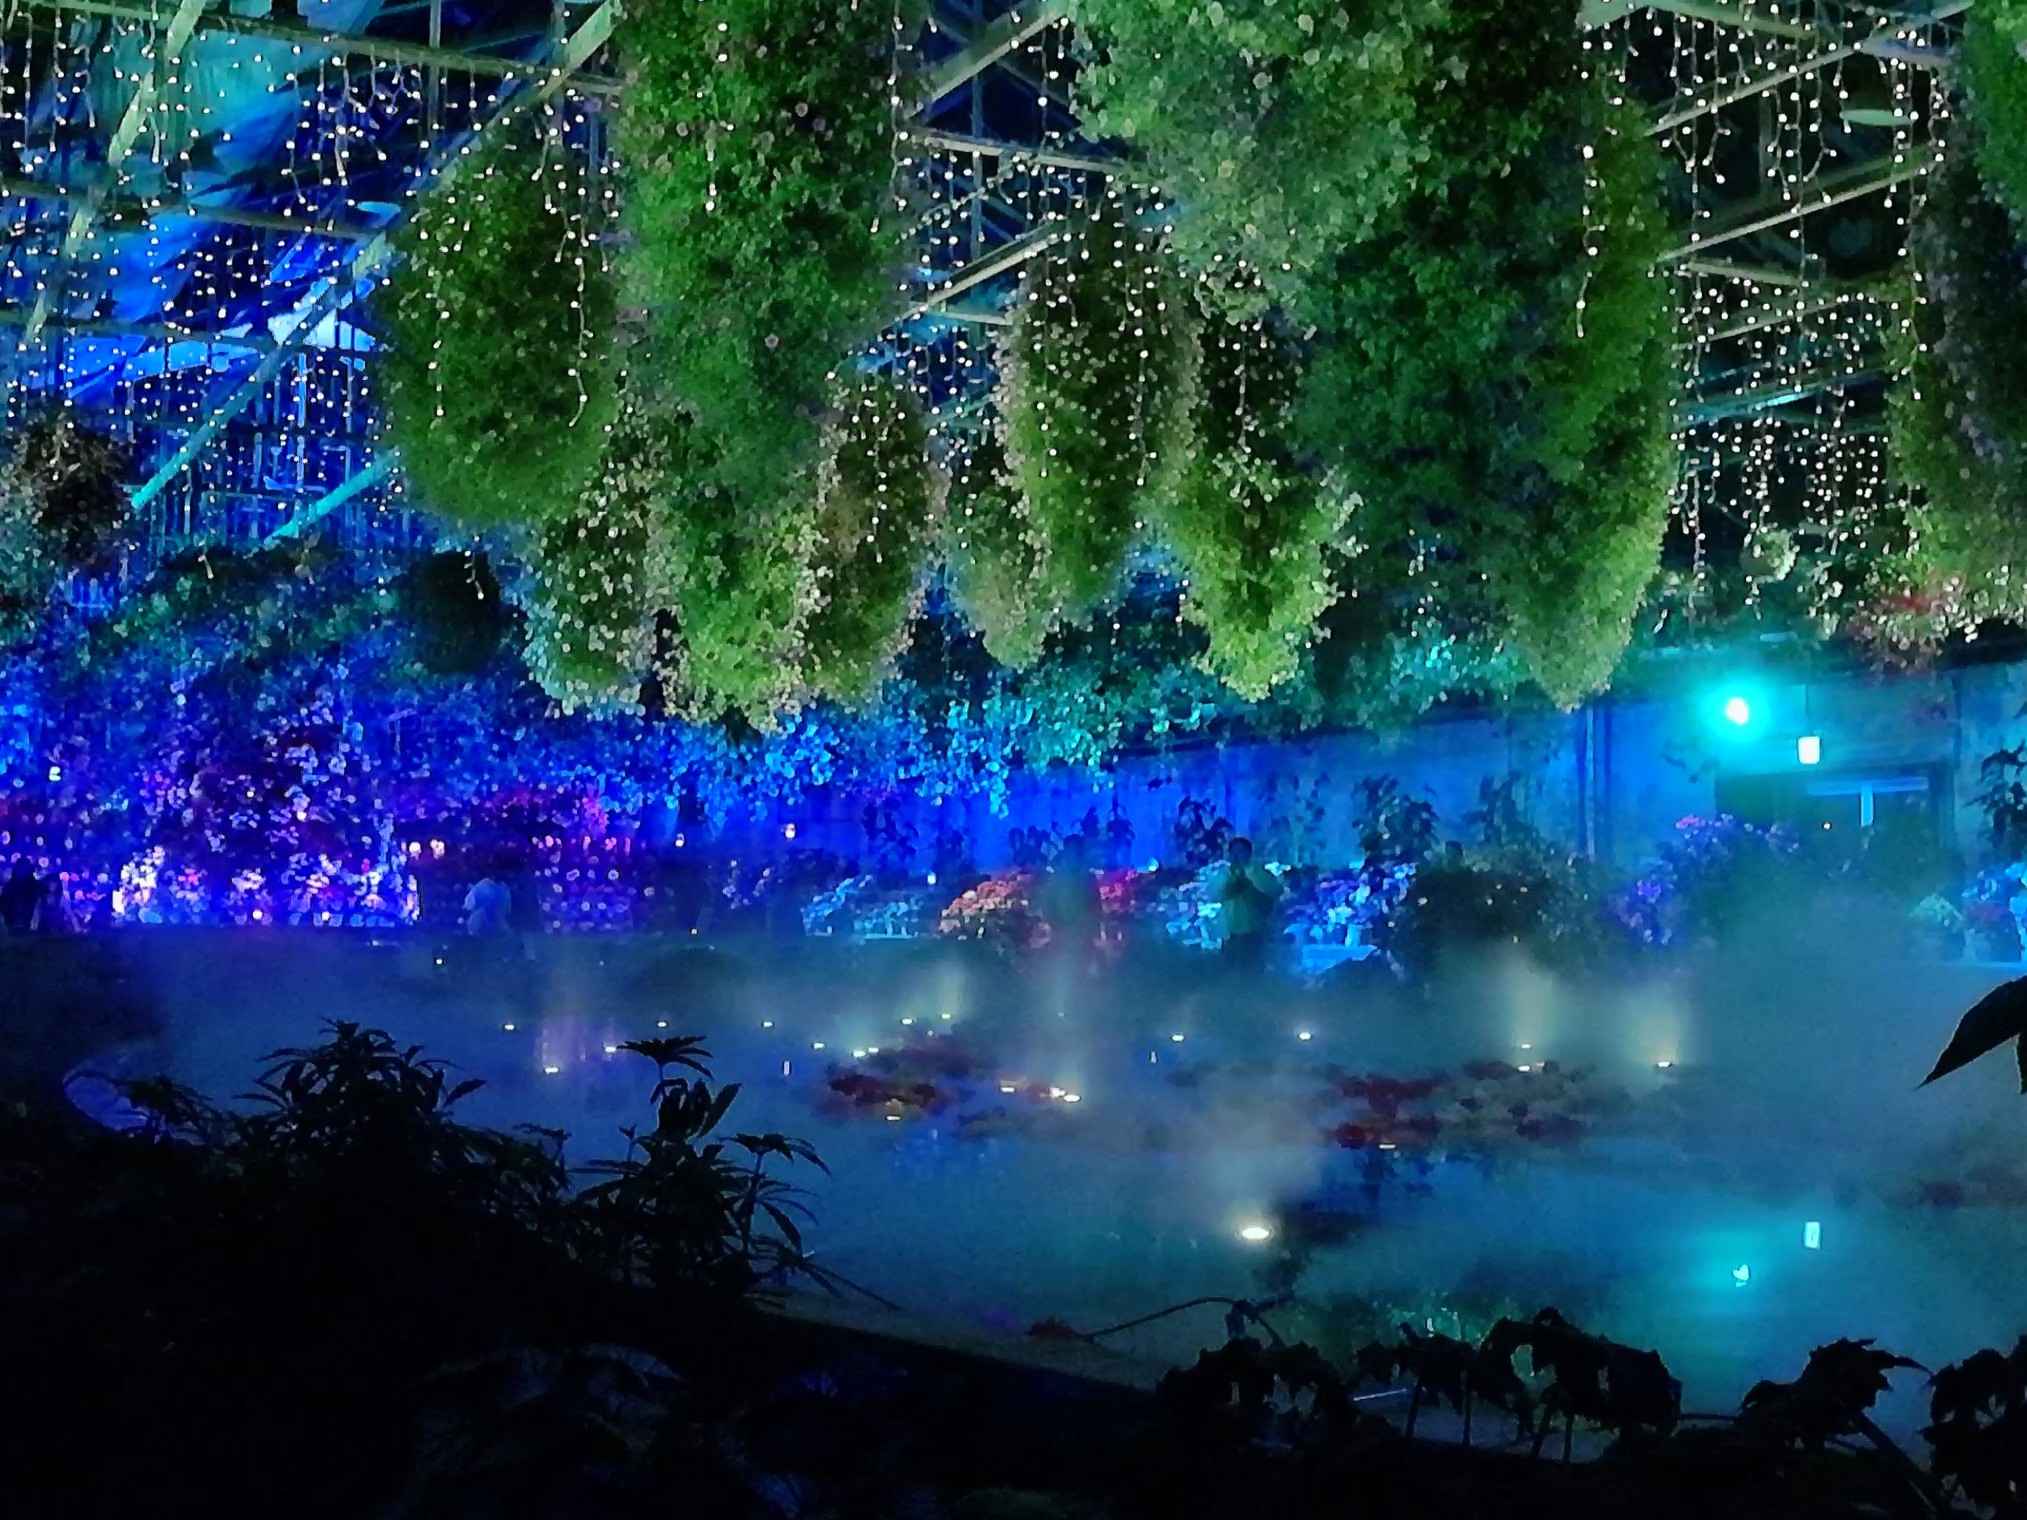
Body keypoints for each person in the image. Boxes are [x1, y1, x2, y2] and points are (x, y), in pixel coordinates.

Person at [1217, 836, 1282, 970]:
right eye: (1233, 852)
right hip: (1230, 932)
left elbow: (1275, 891)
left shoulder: (1259, 872)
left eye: (1240, 851)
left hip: (1253, 931)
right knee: (1228, 970)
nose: (1236, 855)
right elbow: (1217, 894)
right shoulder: (1225, 873)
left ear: (1249, 853)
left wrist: (1250, 885)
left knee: (1250, 968)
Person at [462, 870, 512, 938]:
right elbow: (507, 910)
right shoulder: (503, 888)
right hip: (495, 922)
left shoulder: (483, 886)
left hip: (491, 921)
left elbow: (469, 905)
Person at [1, 861, 39, 934]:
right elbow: (4, 902)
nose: (23, 871)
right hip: (12, 919)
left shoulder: (34, 885)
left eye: (25, 868)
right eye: (21, 868)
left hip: (27, 919)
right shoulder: (10, 885)